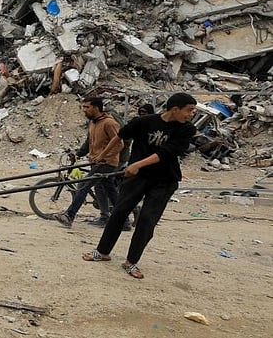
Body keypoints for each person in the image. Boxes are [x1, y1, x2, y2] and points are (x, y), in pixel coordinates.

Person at [82, 93, 197, 280]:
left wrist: (136, 165)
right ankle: (102, 252)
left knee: (147, 220)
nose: (191, 114)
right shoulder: (144, 122)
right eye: (189, 110)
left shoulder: (187, 129)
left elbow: (166, 153)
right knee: (119, 212)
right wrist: (102, 156)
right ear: (175, 109)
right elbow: (120, 136)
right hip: (138, 178)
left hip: (164, 181)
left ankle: (131, 261)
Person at [52, 97, 122, 228]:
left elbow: (119, 144)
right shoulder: (93, 123)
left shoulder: (109, 123)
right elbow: (88, 143)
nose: (84, 110)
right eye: (83, 107)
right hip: (96, 161)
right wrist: (77, 155)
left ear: (96, 108)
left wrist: (103, 156)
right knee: (111, 192)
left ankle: (69, 215)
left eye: (87, 107)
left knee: (84, 186)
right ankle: (124, 219)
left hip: (106, 163)